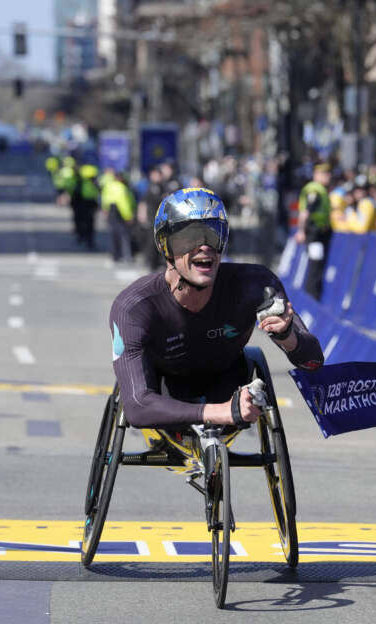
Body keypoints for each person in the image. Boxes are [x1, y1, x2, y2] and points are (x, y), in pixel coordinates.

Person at [109, 187, 324, 438]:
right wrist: (219, 412)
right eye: (189, 237)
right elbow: (137, 408)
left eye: (214, 234)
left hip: (229, 385)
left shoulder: (257, 284)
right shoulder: (134, 307)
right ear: (165, 246)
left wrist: (288, 336)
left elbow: (314, 362)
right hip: (165, 393)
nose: (204, 247)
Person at [293, 163, 333, 299]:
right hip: (315, 235)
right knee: (315, 268)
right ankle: (312, 297)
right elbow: (305, 213)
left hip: (320, 234)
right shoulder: (315, 191)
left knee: (317, 267)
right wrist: (301, 231)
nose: (328, 176)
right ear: (316, 175)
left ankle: (313, 295)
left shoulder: (320, 189)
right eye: (324, 174)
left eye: (328, 173)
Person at [101, 169, 136, 264]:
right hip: (120, 212)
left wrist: (104, 208)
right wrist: (128, 216)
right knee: (124, 235)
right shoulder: (122, 188)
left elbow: (104, 198)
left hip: (111, 211)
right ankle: (126, 255)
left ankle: (115, 255)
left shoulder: (108, 186)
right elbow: (123, 203)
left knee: (114, 234)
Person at [72, 164, 99, 250]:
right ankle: (86, 239)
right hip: (86, 205)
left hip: (86, 205)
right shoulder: (89, 182)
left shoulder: (81, 182)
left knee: (85, 222)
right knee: (87, 223)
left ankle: (85, 238)